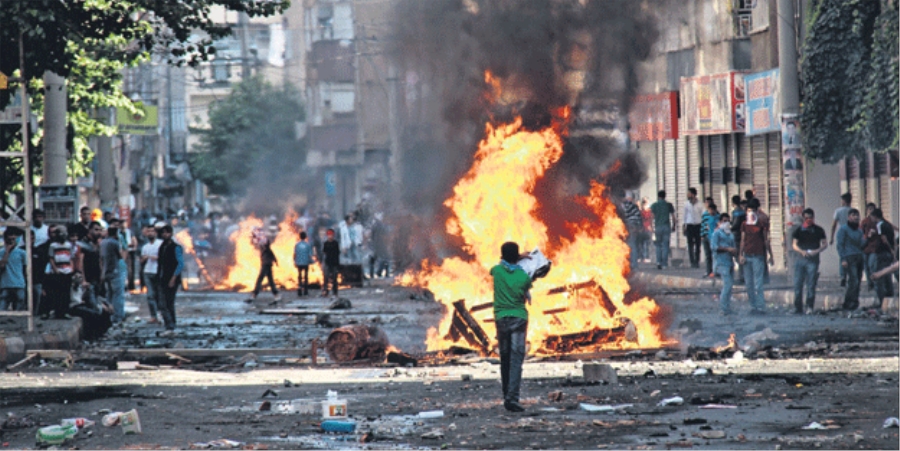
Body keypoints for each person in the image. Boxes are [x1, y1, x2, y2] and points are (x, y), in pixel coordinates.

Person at [490, 241, 532, 412]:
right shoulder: (524, 277)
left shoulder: (496, 271)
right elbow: (527, 286)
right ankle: (512, 398)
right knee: (516, 359)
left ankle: (506, 394)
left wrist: (515, 257)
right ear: (517, 257)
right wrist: (522, 258)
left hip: (501, 320)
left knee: (505, 358)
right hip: (519, 320)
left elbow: (502, 264)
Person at [791, 208, 828, 314]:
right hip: (800, 259)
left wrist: (816, 251)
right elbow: (794, 244)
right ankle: (798, 307)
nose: (808, 220)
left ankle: (809, 307)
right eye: (806, 218)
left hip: (813, 260)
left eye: (810, 217)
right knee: (798, 284)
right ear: (803, 218)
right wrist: (802, 251)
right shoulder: (798, 230)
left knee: (811, 284)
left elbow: (824, 244)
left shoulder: (819, 230)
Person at [740, 198, 773, 315]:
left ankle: (760, 307)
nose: (750, 213)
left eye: (752, 210)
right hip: (747, 256)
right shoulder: (744, 224)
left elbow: (765, 240)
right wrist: (740, 255)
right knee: (749, 284)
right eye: (749, 210)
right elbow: (743, 240)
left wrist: (770, 255)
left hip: (758, 256)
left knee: (758, 284)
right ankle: (753, 306)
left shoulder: (761, 223)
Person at [865, 208, 895, 310]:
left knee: (880, 278)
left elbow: (884, 239)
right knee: (888, 277)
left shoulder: (880, 226)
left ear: (875, 216)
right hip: (888, 254)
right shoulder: (888, 225)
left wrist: (873, 235)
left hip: (881, 253)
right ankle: (889, 300)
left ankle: (882, 301)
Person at [43, 225, 75, 319]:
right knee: (56, 292)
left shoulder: (68, 245)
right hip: (57, 271)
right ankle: (54, 312)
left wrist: (71, 268)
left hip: (67, 270)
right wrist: (55, 269)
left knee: (66, 293)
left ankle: (64, 312)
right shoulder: (53, 245)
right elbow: (51, 258)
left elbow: (71, 257)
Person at [157, 224, 184, 334]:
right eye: (163, 233)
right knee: (163, 303)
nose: (165, 235)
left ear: (171, 234)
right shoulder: (162, 246)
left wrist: (173, 278)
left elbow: (180, 264)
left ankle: (170, 326)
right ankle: (170, 325)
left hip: (171, 279)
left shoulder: (176, 247)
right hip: (162, 278)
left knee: (168, 303)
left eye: (167, 233)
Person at [837, 209, 865, 310]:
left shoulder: (859, 230)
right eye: (853, 215)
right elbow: (840, 245)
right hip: (849, 257)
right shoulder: (843, 229)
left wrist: (867, 238)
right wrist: (843, 259)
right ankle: (849, 302)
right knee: (854, 280)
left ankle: (854, 302)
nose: (856, 217)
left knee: (858, 280)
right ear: (849, 217)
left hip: (859, 256)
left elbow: (862, 244)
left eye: (857, 215)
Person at [711, 213, 737, 315]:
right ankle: (723, 308)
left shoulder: (730, 235)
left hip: (730, 262)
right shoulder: (717, 234)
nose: (726, 223)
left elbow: (733, 247)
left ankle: (727, 307)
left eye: (728, 221)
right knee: (727, 285)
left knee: (730, 287)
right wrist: (727, 249)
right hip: (721, 262)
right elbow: (714, 247)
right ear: (720, 222)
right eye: (724, 221)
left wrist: (734, 252)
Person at [100, 222, 126, 323]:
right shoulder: (114, 243)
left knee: (109, 295)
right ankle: (117, 317)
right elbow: (120, 256)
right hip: (114, 270)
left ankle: (108, 317)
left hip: (106, 272)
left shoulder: (103, 242)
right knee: (118, 294)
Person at [0, 228, 27, 311]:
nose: (12, 241)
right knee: (4, 301)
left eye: (13, 238)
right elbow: (1, 265)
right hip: (6, 282)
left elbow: (25, 267)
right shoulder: (1, 252)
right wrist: (7, 251)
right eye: (10, 239)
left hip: (19, 281)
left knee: (20, 299)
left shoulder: (22, 253)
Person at [140, 224, 162, 323]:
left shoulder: (160, 244)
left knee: (159, 294)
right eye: (148, 231)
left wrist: (152, 257)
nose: (150, 233)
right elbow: (141, 261)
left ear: (156, 233)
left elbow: (164, 258)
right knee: (150, 295)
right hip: (147, 272)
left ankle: (161, 314)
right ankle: (153, 316)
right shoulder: (145, 247)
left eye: (152, 231)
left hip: (158, 271)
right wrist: (144, 259)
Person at [650, 190, 676, 270]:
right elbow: (673, 217)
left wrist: (652, 227)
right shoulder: (669, 205)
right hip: (666, 226)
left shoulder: (654, 205)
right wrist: (673, 226)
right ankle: (664, 264)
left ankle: (658, 262)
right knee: (665, 245)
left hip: (658, 227)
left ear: (658, 196)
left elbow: (651, 217)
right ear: (665, 196)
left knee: (658, 245)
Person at [830, 193, 852, 287]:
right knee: (851, 255)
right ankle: (851, 275)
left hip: (841, 235)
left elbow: (833, 225)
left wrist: (831, 237)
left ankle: (843, 276)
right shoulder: (853, 211)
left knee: (842, 256)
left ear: (844, 201)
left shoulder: (838, 211)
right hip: (851, 235)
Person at [252, 234, 281, 301]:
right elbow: (273, 257)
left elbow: (273, 256)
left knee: (260, 279)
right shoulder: (267, 249)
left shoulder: (266, 249)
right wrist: (276, 262)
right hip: (268, 265)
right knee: (270, 281)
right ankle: (276, 294)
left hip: (265, 265)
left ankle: (254, 294)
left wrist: (276, 262)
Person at [682, 188, 704, 268]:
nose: (687, 195)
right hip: (689, 225)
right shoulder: (686, 204)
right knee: (690, 244)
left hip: (698, 225)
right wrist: (684, 226)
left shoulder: (700, 204)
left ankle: (697, 261)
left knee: (698, 244)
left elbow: (703, 215)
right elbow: (684, 215)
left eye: (689, 193)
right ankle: (692, 261)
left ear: (693, 194)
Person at [621, 193, 643, 269]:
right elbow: (639, 217)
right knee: (633, 245)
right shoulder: (634, 206)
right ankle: (634, 264)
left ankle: (629, 264)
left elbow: (622, 216)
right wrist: (640, 227)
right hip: (634, 226)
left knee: (627, 245)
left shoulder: (623, 206)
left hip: (627, 226)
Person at [860, 202, 879, 290]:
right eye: (869, 209)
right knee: (866, 267)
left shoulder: (877, 221)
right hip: (865, 247)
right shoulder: (864, 222)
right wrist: (867, 236)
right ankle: (869, 284)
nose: (871, 211)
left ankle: (874, 283)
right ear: (867, 211)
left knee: (872, 265)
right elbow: (861, 233)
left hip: (874, 247)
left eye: (872, 209)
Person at [730, 196, 746, 284]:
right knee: (741, 255)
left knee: (738, 256)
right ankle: (742, 275)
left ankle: (741, 276)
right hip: (743, 235)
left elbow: (735, 224)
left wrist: (730, 228)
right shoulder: (743, 212)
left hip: (736, 236)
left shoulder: (736, 212)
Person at [700, 202, 719, 278]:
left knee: (715, 255)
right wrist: (702, 235)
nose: (710, 212)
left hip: (714, 238)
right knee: (708, 255)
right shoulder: (706, 217)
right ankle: (708, 271)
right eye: (709, 210)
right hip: (707, 237)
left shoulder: (718, 217)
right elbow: (703, 226)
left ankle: (715, 271)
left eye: (711, 210)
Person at [293, 231, 314, 297]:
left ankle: (299, 289)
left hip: (299, 262)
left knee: (299, 276)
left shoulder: (297, 245)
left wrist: (294, 261)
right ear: (305, 237)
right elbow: (310, 255)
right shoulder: (307, 245)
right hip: (305, 262)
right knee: (305, 276)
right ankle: (305, 291)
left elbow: (295, 254)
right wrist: (312, 261)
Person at [321, 229, 341, 298]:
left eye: (331, 235)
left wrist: (338, 264)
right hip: (327, 263)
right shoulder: (326, 243)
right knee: (326, 278)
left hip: (334, 263)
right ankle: (325, 291)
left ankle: (335, 292)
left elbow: (338, 253)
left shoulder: (335, 243)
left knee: (335, 278)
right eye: (329, 235)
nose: (330, 236)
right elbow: (324, 253)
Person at [639, 198, 654, 263]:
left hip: (643, 228)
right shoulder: (649, 211)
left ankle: (643, 257)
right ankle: (646, 257)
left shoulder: (641, 211)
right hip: (647, 228)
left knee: (643, 244)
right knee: (646, 243)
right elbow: (651, 219)